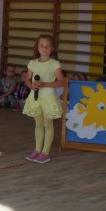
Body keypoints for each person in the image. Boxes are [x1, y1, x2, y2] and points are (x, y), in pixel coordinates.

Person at [23, 34, 65, 163]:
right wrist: (31, 86)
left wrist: (45, 84)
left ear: (52, 48)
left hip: (48, 98)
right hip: (35, 97)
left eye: (48, 46)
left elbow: (61, 81)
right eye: (42, 45)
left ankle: (45, 152)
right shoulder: (32, 63)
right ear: (37, 47)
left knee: (48, 125)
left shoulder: (54, 63)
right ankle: (37, 150)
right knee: (39, 125)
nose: (44, 48)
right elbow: (27, 79)